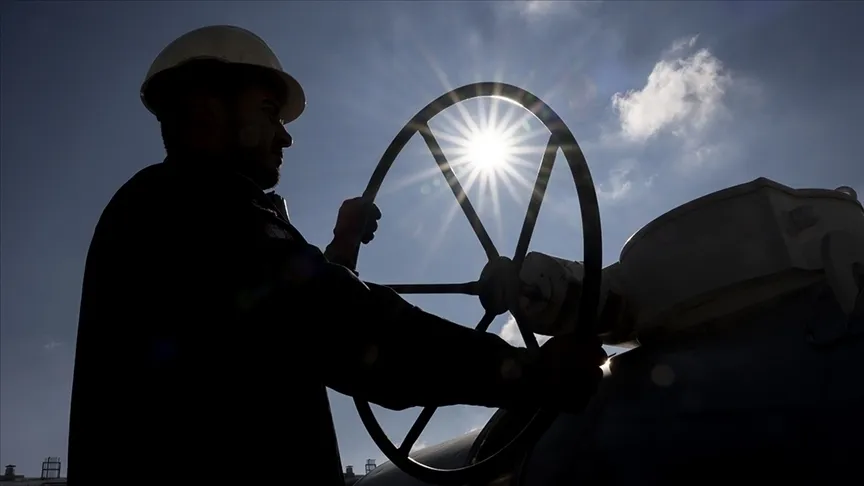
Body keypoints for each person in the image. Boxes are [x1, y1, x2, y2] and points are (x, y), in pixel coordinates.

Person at [67, 25, 606, 485]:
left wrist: (342, 247)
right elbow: (346, 327)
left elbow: (285, 315)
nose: (286, 137)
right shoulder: (188, 207)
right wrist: (525, 371)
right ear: (206, 110)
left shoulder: (169, 213)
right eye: (268, 112)